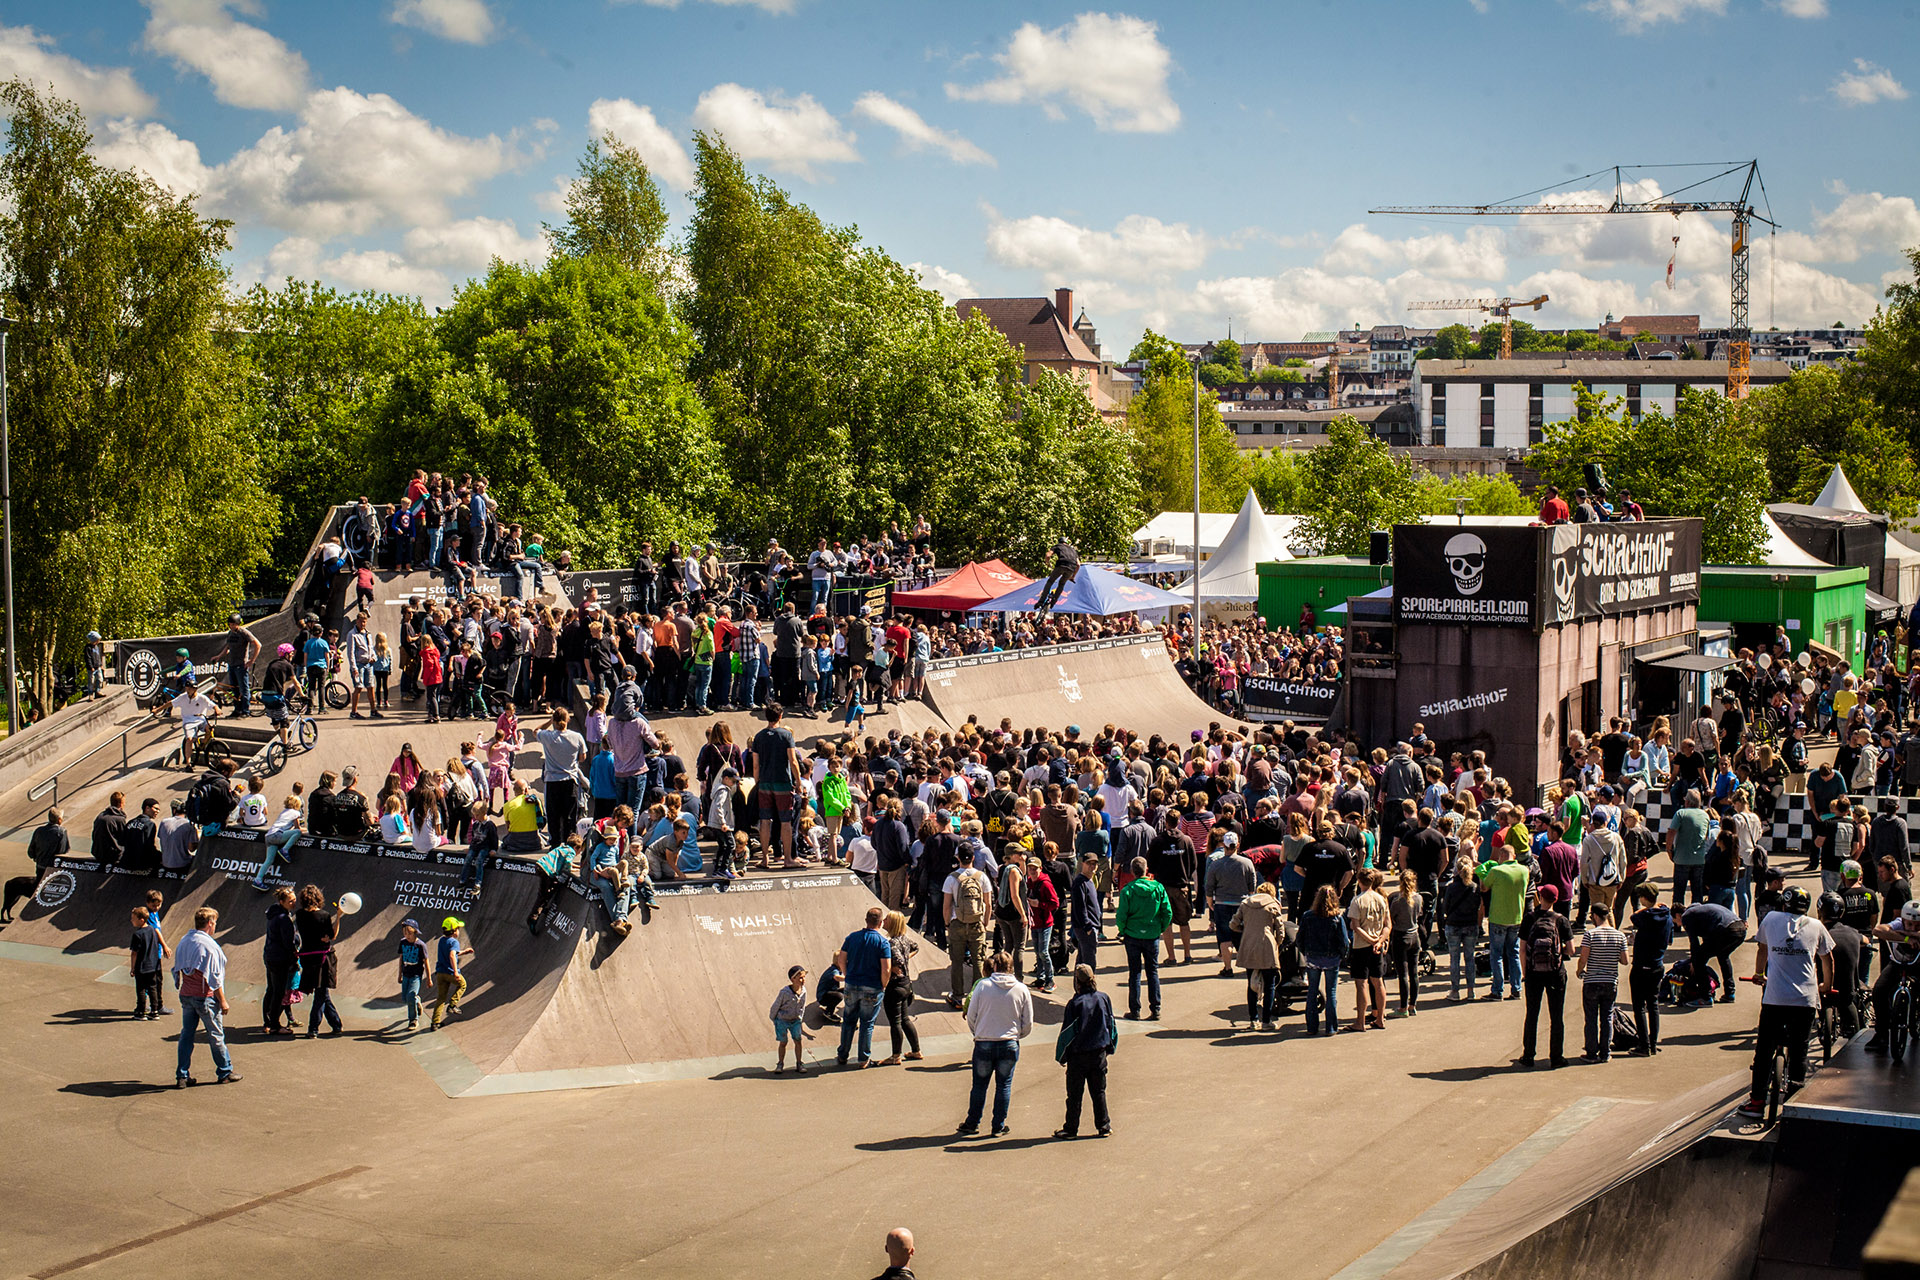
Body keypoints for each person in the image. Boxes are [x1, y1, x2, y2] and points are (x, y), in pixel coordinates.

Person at [1737, 887, 1834, 1119]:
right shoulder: (1817, 926)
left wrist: (1759, 973)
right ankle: (1793, 1104)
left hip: (1775, 999)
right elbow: (1827, 958)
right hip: (1806, 1000)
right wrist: (1826, 986)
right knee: (1799, 1051)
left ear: (1784, 905)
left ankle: (1757, 1102)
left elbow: (1762, 949)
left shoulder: (1771, 919)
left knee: (1764, 1051)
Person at [956, 950, 1034, 1138]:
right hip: (1009, 1043)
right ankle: (998, 1125)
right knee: (1004, 1085)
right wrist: (1016, 1036)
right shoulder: (1022, 989)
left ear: (996, 966)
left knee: (979, 1085)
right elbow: (1028, 1022)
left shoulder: (983, 986)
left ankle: (972, 1122)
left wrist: (978, 1032)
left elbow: (971, 1015)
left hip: (984, 1042)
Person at [171, 906, 239, 1087]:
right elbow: (215, 978)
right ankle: (225, 1072)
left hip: (186, 994)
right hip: (205, 998)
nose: (215, 926)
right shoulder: (209, 946)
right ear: (210, 923)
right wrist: (223, 1001)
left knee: (186, 1034)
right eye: (215, 923)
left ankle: (182, 1076)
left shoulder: (184, 940)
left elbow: (177, 968)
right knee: (216, 1035)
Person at [1055, 963, 1116, 1139]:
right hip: (1099, 1052)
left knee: (1074, 1095)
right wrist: (1110, 1047)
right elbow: (1111, 1025)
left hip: (1078, 1056)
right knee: (1099, 1092)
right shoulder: (1103, 998)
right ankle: (1104, 1125)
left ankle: (1071, 1129)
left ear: (1077, 982)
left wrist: (1061, 1056)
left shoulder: (1075, 1004)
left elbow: (1067, 1033)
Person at [1519, 884, 1573, 1069]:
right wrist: (1557, 949)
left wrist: (1525, 972)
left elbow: (1522, 949)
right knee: (1556, 1016)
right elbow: (1571, 950)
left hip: (1533, 973)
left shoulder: (1529, 918)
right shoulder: (1561, 920)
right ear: (1555, 900)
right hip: (1556, 973)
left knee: (1532, 1014)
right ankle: (1556, 1057)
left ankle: (1528, 1055)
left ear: (1540, 897)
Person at [834, 905, 893, 1068]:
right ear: (880, 923)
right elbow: (886, 969)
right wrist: (883, 985)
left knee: (848, 1021)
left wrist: (847, 975)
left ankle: (842, 1054)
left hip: (852, 984)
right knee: (867, 1024)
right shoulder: (882, 942)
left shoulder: (852, 938)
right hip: (873, 986)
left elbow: (841, 959)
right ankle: (863, 1058)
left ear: (866, 920)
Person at [1115, 856, 1172, 1021]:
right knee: (1152, 971)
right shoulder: (1158, 888)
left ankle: (1135, 1010)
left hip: (1132, 935)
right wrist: (1160, 928)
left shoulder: (1127, 890)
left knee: (1134, 973)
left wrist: (1123, 930)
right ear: (1146, 870)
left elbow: (1121, 916)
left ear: (1132, 871)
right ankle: (1156, 1008)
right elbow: (1167, 912)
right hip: (1152, 934)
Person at [749, 704, 804, 868]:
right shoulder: (786, 735)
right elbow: (793, 761)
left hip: (765, 782)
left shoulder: (759, 736)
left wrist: (757, 782)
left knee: (765, 820)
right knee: (785, 821)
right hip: (783, 783)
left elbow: (755, 765)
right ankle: (787, 859)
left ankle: (765, 858)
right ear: (780, 716)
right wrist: (798, 782)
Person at [1476, 837, 1530, 1000]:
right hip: (1517, 917)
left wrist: (1482, 872)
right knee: (1514, 953)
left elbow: (1484, 887)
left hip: (1498, 918)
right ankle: (1516, 989)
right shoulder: (1524, 871)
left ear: (1501, 856)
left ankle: (1497, 990)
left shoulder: (1497, 871)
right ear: (1514, 856)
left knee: (1497, 954)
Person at [1230, 882, 1288, 1031]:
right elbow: (1280, 929)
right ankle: (1266, 1021)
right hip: (1267, 945)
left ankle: (1253, 1019)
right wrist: (1277, 943)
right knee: (1269, 985)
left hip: (1249, 945)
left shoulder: (1246, 903)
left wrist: (1246, 929)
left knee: (1251, 984)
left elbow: (1233, 924)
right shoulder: (1273, 905)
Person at [1626, 884, 1673, 1055]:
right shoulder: (1667, 915)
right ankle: (1652, 1043)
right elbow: (1670, 940)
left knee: (1639, 1006)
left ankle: (1643, 1045)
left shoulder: (1644, 916)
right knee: (1653, 1005)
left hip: (1641, 966)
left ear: (1644, 898)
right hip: (1657, 965)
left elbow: (1633, 916)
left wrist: (1648, 908)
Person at [1299, 884, 1351, 1036]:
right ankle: (1331, 1027)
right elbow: (1344, 942)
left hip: (1313, 958)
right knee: (1331, 992)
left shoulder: (1307, 916)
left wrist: (1306, 953)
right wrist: (1341, 956)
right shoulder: (1337, 918)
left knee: (1312, 991)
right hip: (1331, 959)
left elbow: (1300, 939)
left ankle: (1312, 1027)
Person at [1577, 904, 1628, 1062]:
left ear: (1595, 916)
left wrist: (1579, 971)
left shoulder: (1590, 935)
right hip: (1610, 982)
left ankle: (1591, 1053)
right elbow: (1625, 960)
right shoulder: (1619, 935)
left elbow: (1583, 958)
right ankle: (1605, 1053)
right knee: (1607, 1017)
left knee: (1591, 1019)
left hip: (1592, 981)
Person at [1867, 900, 1920, 1051]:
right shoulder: (1898, 923)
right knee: (1879, 991)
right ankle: (1882, 1034)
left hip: (1917, 964)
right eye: (1909, 924)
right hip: (1897, 963)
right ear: (1902, 920)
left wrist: (1903, 933)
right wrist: (1907, 938)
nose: (1912, 928)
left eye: (1917, 926)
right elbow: (1878, 930)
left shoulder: (1903, 927)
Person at [944, 846, 993, 1008]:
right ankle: (976, 997)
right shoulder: (982, 877)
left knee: (956, 961)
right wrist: (985, 922)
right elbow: (988, 903)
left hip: (957, 923)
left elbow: (947, 905)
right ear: (973, 858)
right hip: (977, 923)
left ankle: (958, 996)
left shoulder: (951, 878)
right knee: (978, 960)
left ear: (958, 858)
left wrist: (947, 923)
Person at [295, 884, 344, 1037]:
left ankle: (336, 1024)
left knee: (323, 992)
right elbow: (332, 935)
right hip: (323, 959)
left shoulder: (299, 914)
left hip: (307, 957)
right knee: (321, 994)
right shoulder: (324, 915)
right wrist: (338, 917)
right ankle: (313, 1028)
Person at [1347, 868, 1391, 1031]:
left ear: (1359, 882)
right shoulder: (1381, 899)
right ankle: (1380, 1018)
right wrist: (1380, 940)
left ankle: (1360, 1021)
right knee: (1378, 982)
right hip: (1377, 946)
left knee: (1361, 984)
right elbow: (1388, 925)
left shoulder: (1357, 901)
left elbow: (1355, 926)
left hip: (1361, 946)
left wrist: (1371, 940)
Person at [1817, 892, 1865, 1040]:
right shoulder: (1852, 932)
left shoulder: (1818, 933)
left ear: (1820, 912)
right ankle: (1856, 1033)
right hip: (1847, 987)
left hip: (1824, 985)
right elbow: (1865, 940)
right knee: (1849, 1004)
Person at [879, 910, 922, 1066]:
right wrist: (906, 959)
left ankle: (895, 1055)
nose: (884, 920)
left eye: (887, 919)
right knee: (905, 1019)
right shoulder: (904, 939)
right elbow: (916, 947)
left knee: (895, 1022)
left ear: (893, 923)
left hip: (895, 985)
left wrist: (894, 966)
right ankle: (916, 1050)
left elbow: (896, 959)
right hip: (906, 984)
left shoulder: (891, 943)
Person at [1439, 855, 1482, 1002]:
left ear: (1457, 870)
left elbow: (1445, 907)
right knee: (1469, 958)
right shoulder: (1474, 887)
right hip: (1470, 924)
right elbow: (1478, 906)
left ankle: (1455, 990)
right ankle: (1471, 990)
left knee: (1454, 959)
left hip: (1454, 925)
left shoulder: (1451, 887)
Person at [262, 886, 298, 1034]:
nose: (294, 903)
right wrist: (293, 957)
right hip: (279, 959)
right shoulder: (284, 919)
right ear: (282, 902)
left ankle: (267, 1021)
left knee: (271, 989)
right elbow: (288, 942)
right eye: (290, 901)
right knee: (278, 992)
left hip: (270, 955)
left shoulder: (273, 913)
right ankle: (275, 1025)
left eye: (294, 900)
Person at [431, 916, 472, 1030]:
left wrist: (464, 952)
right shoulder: (454, 942)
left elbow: (452, 953)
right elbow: (452, 955)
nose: (459, 931)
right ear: (454, 931)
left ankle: (435, 1023)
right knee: (463, 985)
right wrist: (455, 972)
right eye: (458, 929)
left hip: (440, 973)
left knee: (441, 998)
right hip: (450, 973)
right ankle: (453, 1004)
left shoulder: (442, 940)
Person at [129, 905, 166, 1020]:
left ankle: (141, 1011)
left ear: (141, 920)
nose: (131, 920)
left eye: (133, 919)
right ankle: (154, 1011)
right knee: (152, 987)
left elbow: (134, 953)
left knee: (141, 989)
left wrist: (132, 968)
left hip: (141, 966)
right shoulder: (153, 930)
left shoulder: (137, 935)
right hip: (153, 966)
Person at [770, 964, 809, 1074]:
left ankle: (799, 1063)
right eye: (800, 978)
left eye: (804, 977)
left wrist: (800, 1018)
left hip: (795, 1020)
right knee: (783, 1042)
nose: (803, 980)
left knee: (798, 1041)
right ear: (793, 979)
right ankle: (780, 1063)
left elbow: (802, 1006)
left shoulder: (803, 991)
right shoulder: (784, 992)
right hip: (782, 1020)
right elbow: (776, 1006)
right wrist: (774, 1019)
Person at [1033, 537, 1082, 612]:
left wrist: (1048, 563)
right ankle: (1053, 602)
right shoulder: (1073, 550)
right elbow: (1078, 564)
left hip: (1061, 565)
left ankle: (1041, 602)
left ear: (1060, 542)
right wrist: (1073, 576)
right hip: (1071, 568)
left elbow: (1048, 555)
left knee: (1050, 581)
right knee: (1062, 584)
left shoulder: (1058, 546)